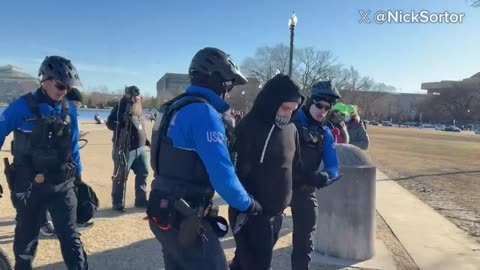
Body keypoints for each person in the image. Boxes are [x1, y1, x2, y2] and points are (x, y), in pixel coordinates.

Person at [147, 47, 262, 270]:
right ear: (217, 80)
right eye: (229, 84)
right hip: (186, 215)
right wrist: (249, 205)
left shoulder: (172, 107)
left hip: (161, 208)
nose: (228, 91)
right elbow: (223, 178)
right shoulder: (204, 114)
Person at [0, 56, 88, 269]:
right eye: (60, 85)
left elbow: (74, 146)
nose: (64, 91)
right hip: (28, 186)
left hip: (61, 183)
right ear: (45, 80)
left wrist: (79, 179)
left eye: (68, 87)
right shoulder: (20, 107)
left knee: (70, 236)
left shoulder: (70, 110)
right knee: (26, 238)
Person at [229, 74, 303, 270]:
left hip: (276, 214)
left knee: (242, 263)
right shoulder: (248, 127)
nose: (288, 114)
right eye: (285, 108)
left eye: (293, 110)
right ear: (271, 102)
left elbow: (293, 167)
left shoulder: (292, 129)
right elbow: (233, 174)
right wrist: (247, 208)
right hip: (251, 215)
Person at [290, 81, 342, 270]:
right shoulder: (290, 121)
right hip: (280, 185)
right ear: (309, 101)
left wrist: (324, 177)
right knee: (264, 237)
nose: (323, 111)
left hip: (305, 188)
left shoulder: (325, 132)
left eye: (327, 108)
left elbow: (334, 167)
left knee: (304, 241)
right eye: (319, 105)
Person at [106, 86, 150, 211]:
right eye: (133, 95)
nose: (135, 98)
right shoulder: (121, 106)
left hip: (140, 148)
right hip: (125, 148)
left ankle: (140, 200)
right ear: (126, 95)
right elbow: (109, 123)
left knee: (144, 172)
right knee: (121, 176)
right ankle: (117, 202)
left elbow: (140, 124)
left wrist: (146, 140)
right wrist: (121, 124)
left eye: (137, 95)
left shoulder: (139, 107)